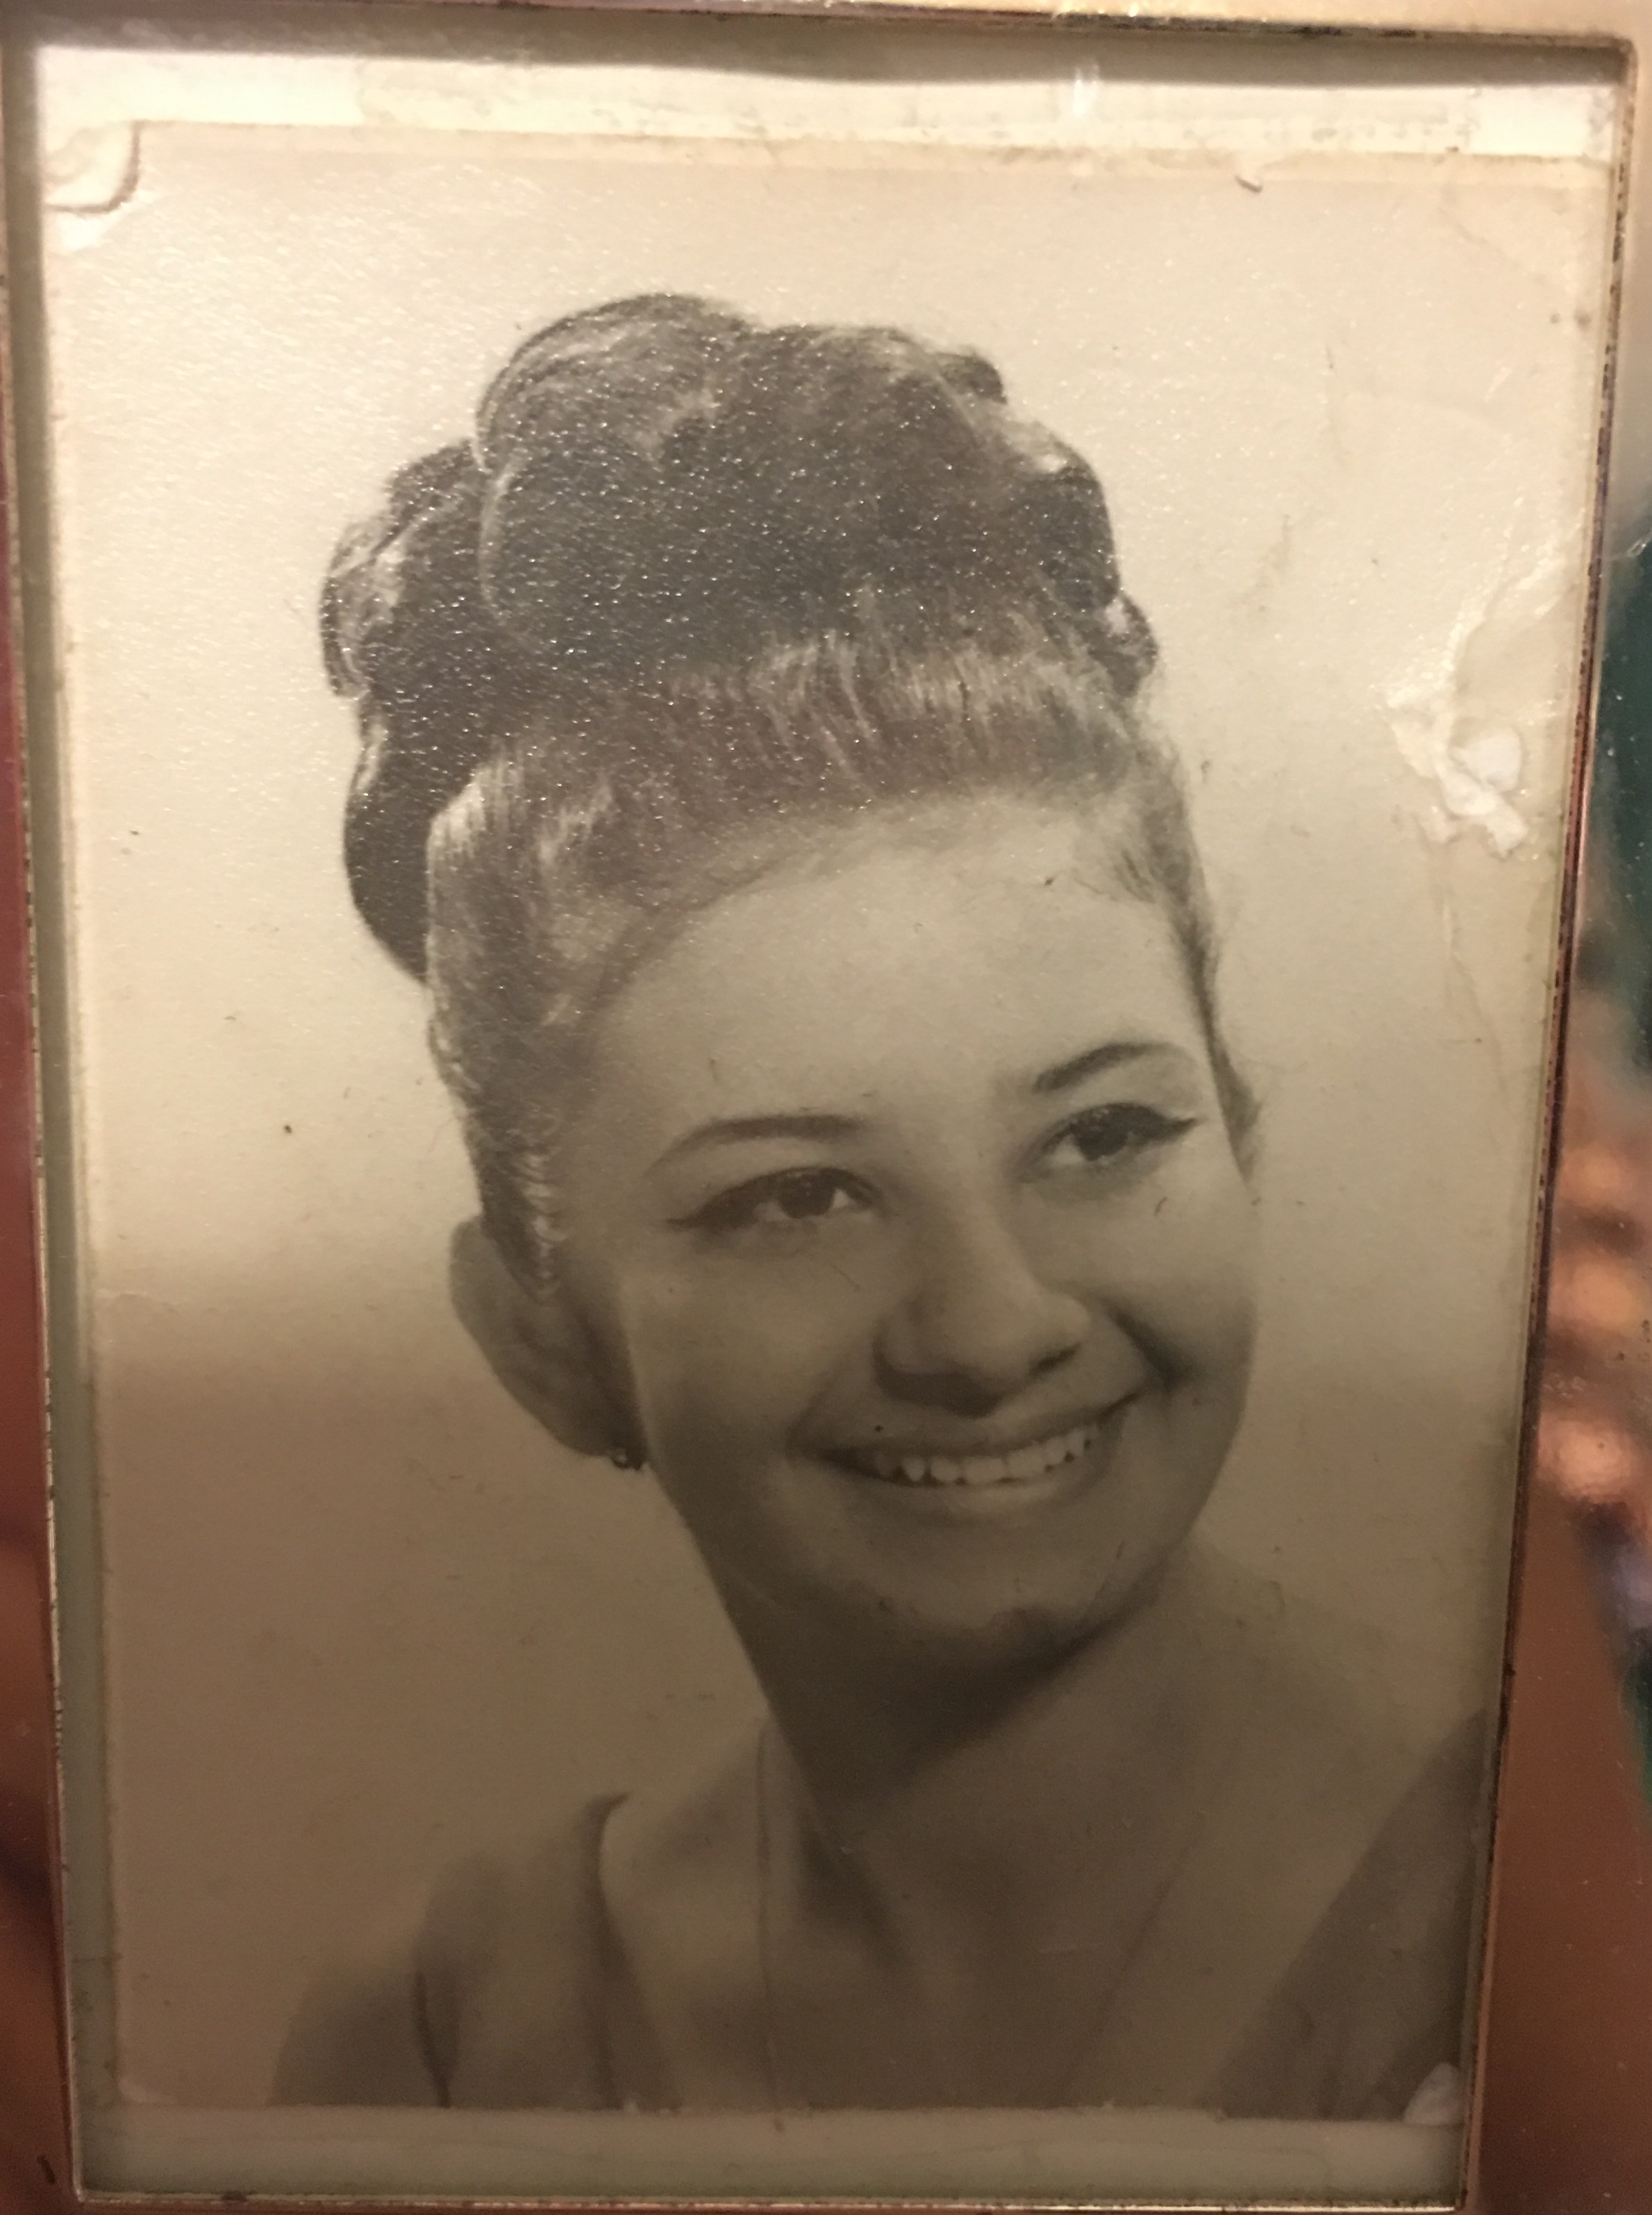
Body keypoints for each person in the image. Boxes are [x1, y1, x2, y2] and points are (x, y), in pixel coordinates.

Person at [276, 294, 1480, 2119]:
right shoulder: (446, 2041)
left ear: (1232, 1129)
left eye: (1101, 1135)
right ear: (538, 1334)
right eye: (799, 1196)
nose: (991, 1329)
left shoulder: (1541, 1901)